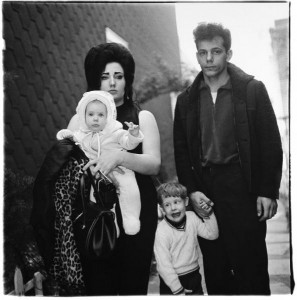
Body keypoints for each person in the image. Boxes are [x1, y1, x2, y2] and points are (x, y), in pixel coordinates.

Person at [173, 22, 283, 295]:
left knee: (251, 267)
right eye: (202, 53)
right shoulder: (186, 100)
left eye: (216, 51)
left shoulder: (251, 90)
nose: (208, 59)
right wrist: (193, 191)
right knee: (217, 269)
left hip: (242, 186)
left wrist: (267, 191)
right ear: (197, 55)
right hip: (207, 189)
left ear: (228, 53)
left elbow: (270, 143)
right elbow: (181, 150)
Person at [67, 42, 161, 295]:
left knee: (133, 285)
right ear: (95, 80)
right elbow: (70, 168)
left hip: (137, 214)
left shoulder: (143, 118)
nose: (112, 83)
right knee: (99, 286)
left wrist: (119, 157)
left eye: (118, 76)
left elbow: (153, 164)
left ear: (127, 80)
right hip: (93, 214)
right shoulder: (80, 119)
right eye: (105, 76)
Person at [57, 90, 144, 235]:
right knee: (97, 199)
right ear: (84, 117)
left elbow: (128, 143)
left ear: (108, 117)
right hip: (96, 175)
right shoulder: (82, 135)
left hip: (119, 169)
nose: (95, 119)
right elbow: (69, 139)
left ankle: (131, 218)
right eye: (91, 115)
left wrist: (133, 135)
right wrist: (65, 135)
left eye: (100, 115)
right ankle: (109, 225)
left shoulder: (115, 132)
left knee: (129, 189)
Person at [154, 182, 218, 295]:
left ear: (186, 201)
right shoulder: (161, 231)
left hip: (194, 275)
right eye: (167, 205)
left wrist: (209, 214)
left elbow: (212, 235)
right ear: (162, 208)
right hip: (171, 281)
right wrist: (177, 290)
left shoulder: (192, 218)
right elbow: (163, 266)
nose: (173, 208)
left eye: (176, 202)